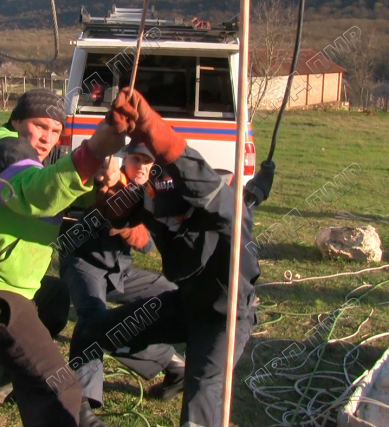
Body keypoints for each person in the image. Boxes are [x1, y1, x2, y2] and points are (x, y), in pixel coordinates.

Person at [67, 88, 260, 427]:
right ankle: (79, 415)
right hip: (184, 304)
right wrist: (109, 198)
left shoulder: (222, 202)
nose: (168, 221)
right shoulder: (153, 197)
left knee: (201, 403)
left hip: (225, 316)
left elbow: (205, 185)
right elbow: (124, 214)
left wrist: (153, 127)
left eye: (178, 215)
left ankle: (185, 378)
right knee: (92, 331)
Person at [0, 88, 127, 427]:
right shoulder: (5, 149)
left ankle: (17, 371)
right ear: (16, 121)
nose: (47, 138)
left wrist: (101, 182)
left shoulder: (30, 161)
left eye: (56, 131)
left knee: (54, 299)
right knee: (61, 387)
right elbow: (33, 193)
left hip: (9, 283)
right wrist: (92, 153)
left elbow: (55, 191)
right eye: (40, 126)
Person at [60, 142, 186, 427]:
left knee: (173, 293)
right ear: (124, 159)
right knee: (93, 321)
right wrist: (105, 179)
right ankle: (82, 406)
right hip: (83, 261)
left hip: (119, 271)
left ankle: (178, 367)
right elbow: (101, 182)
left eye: (147, 161)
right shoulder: (111, 176)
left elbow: (147, 244)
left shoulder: (152, 193)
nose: (141, 166)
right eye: (135, 159)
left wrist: (130, 226)